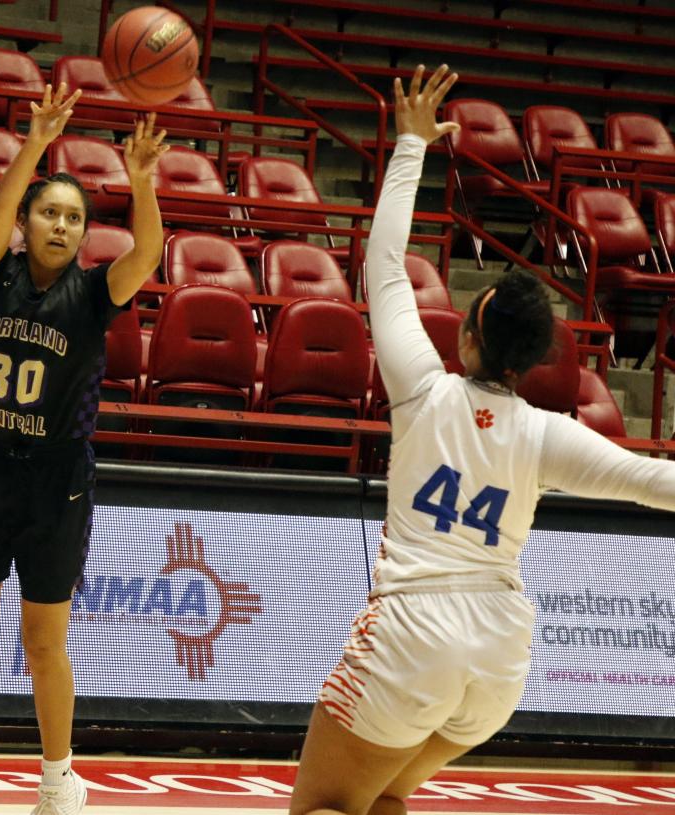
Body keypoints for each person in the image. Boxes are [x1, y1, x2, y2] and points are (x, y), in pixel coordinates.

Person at [289, 64, 675, 815]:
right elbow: (649, 481)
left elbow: (384, 265)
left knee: (321, 808)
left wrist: (410, 146)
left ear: (467, 333)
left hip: (414, 629)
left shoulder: (422, 389)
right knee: (379, 801)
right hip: (499, 652)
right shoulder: (547, 433)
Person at [0, 84, 169, 815]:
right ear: (27, 222)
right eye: (48, 212)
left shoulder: (94, 294)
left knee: (43, 639)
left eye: (73, 217)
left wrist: (142, 182)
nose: (60, 224)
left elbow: (149, 250)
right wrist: (33, 145)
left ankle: (57, 777)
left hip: (59, 480)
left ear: (84, 234)